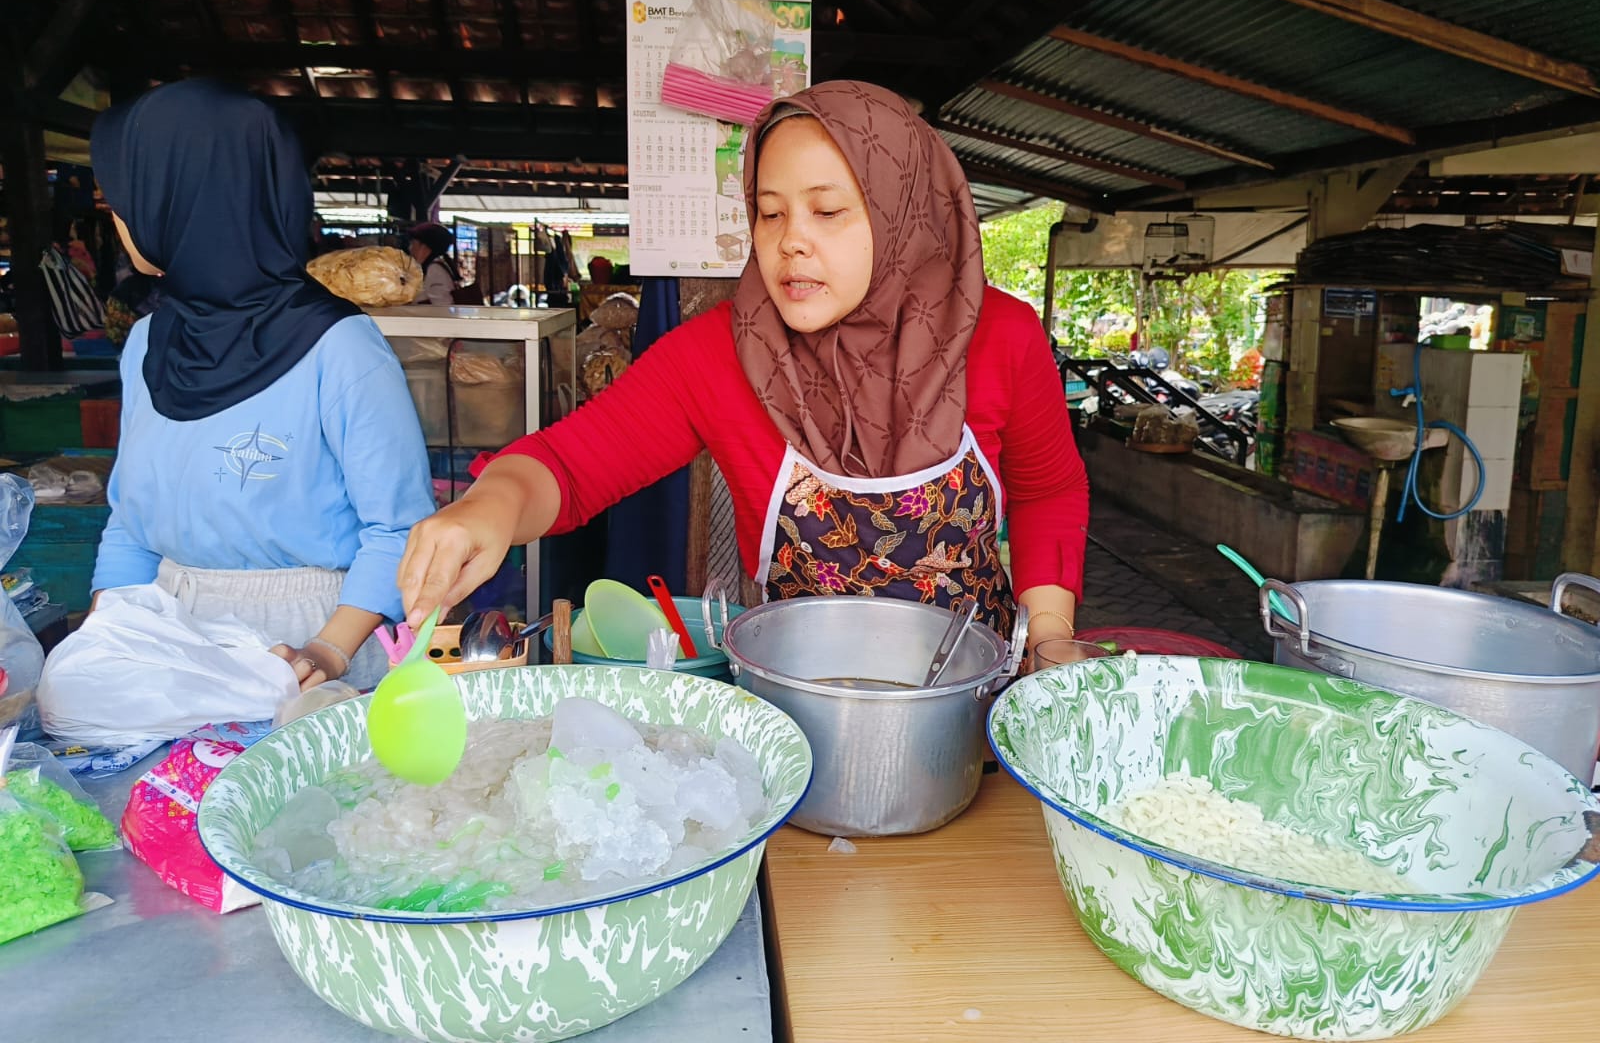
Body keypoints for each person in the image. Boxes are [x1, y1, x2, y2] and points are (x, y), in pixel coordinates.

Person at [400, 81, 1096, 670]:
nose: (791, 239)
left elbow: (1049, 489)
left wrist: (1051, 633)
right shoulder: (719, 355)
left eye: (827, 211)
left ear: (904, 212)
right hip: (800, 702)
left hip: (970, 701)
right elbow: (570, 465)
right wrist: (487, 507)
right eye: (769, 213)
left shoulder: (1000, 336)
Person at [81, 79, 435, 692]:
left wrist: (326, 652)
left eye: (121, 201)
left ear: (180, 201)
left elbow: (398, 529)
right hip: (166, 634)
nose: (113, 217)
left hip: (309, 644)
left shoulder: (340, 346)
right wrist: (102, 638)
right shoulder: (147, 343)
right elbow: (131, 526)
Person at [408, 223, 461, 306]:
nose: (410, 248)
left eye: (413, 244)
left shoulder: (435, 269)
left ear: (424, 247)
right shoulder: (438, 265)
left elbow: (442, 305)